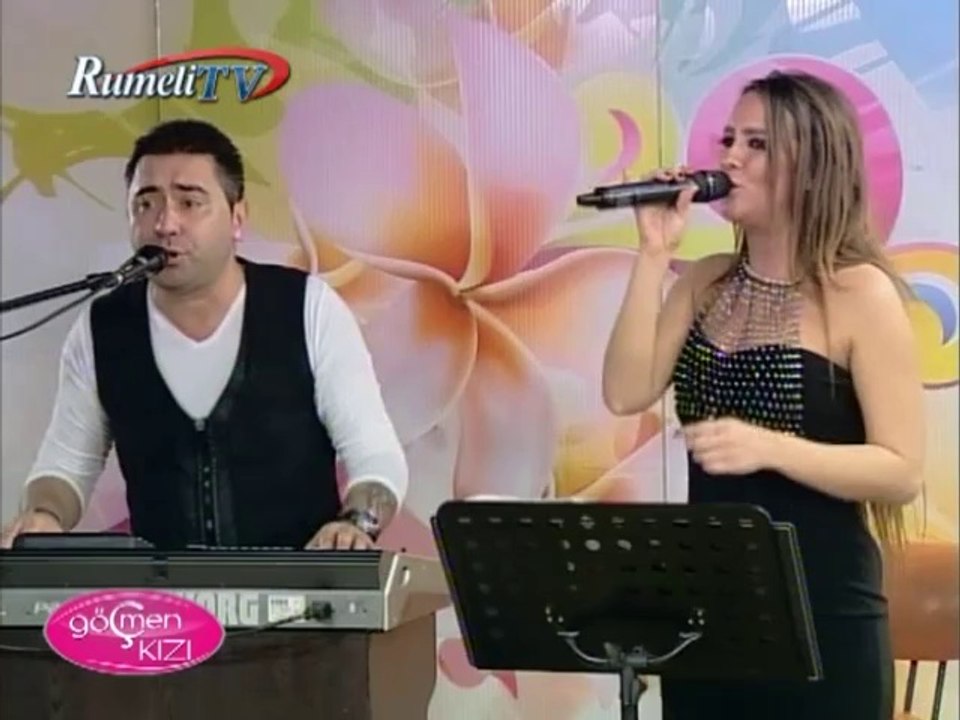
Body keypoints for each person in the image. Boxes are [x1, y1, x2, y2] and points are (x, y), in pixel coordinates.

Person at [602, 70, 924, 718]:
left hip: (822, 614)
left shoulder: (860, 293)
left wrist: (771, 448)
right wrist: (651, 254)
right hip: (708, 612)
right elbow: (624, 391)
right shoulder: (705, 281)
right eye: (729, 140)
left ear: (812, 166)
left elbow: (900, 471)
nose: (730, 158)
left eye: (757, 144)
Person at [0, 119, 408, 552]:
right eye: (146, 204)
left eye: (190, 202)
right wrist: (44, 513)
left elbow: (376, 456)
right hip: (162, 589)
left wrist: (356, 523)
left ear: (237, 218)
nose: (165, 224)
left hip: (303, 582)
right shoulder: (103, 327)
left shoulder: (308, 307)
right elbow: (65, 467)